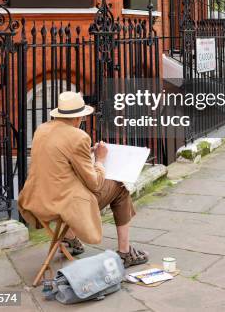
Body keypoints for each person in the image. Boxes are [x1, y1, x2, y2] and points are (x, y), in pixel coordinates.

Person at [18, 91, 149, 268]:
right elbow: (95, 183)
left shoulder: (42, 129)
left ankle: (70, 240)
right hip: (62, 204)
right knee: (120, 188)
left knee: (67, 186)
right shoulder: (78, 136)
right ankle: (125, 253)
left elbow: (60, 164)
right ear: (78, 118)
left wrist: (88, 155)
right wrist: (100, 160)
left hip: (36, 200)